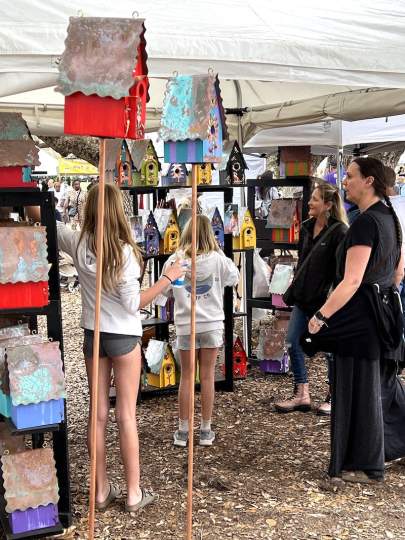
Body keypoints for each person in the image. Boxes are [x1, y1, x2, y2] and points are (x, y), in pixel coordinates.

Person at [56, 184, 185, 512]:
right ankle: (133, 493)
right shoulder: (125, 252)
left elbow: (53, 227)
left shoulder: (79, 242)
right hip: (123, 337)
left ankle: (100, 491)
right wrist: (167, 278)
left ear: (89, 209)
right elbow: (132, 304)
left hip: (94, 334)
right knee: (125, 415)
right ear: (119, 211)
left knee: (97, 414)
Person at [304, 157, 405, 484]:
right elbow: (398, 272)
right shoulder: (390, 218)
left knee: (361, 391)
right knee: (383, 385)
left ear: (369, 181)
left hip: (361, 318)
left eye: (349, 176)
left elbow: (352, 280)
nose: (343, 181)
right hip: (385, 314)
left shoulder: (365, 223)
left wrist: (321, 316)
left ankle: (367, 466)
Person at [161, 215, 239, 447]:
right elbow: (233, 277)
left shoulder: (176, 260)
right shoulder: (218, 259)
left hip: (186, 325)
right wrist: (219, 252)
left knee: (187, 376)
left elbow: (164, 290)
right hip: (212, 324)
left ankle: (183, 430)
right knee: (207, 376)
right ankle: (205, 429)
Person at [274, 181, 348, 415]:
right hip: (303, 298)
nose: (309, 202)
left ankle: (334, 396)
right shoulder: (306, 227)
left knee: (329, 350)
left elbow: (341, 272)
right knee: (292, 341)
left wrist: (332, 301)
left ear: (328, 205)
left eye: (314, 199)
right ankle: (301, 393)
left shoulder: (340, 232)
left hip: (325, 302)